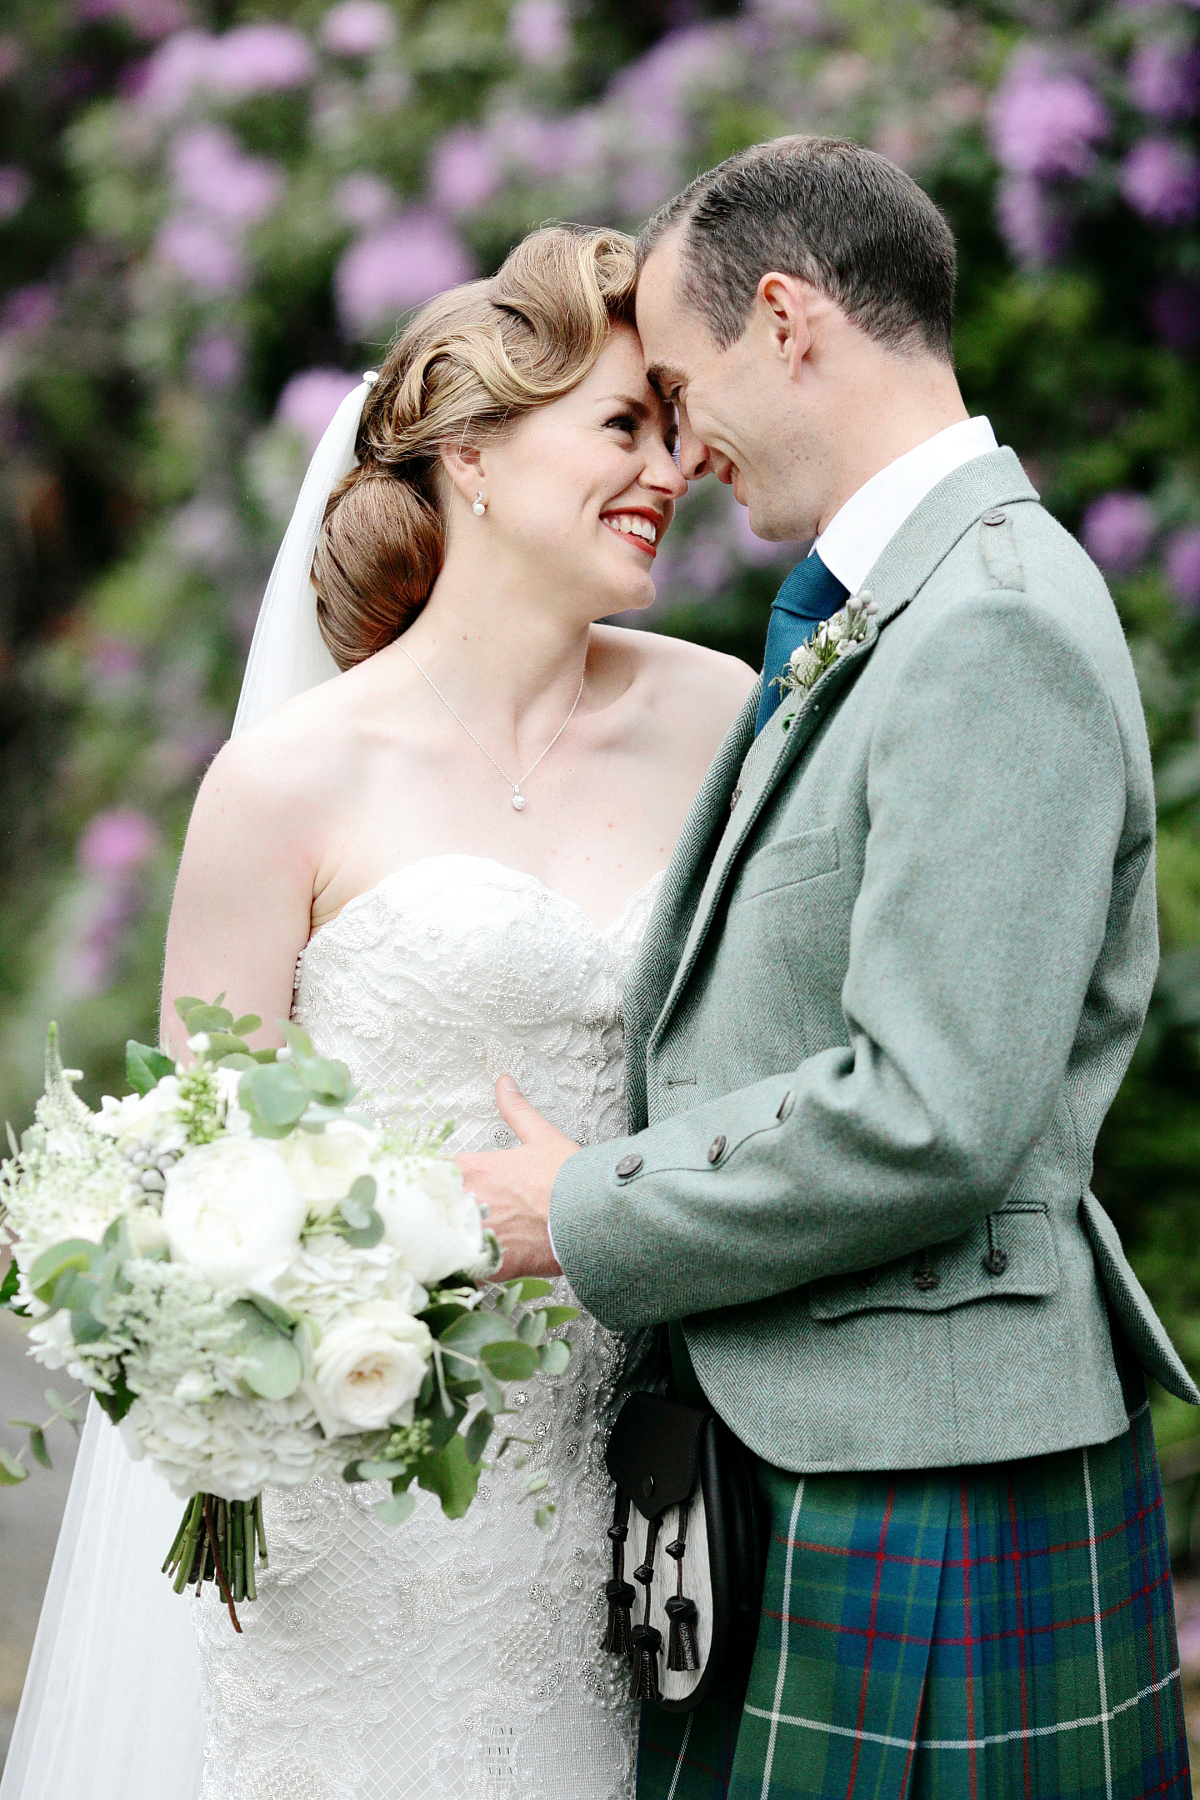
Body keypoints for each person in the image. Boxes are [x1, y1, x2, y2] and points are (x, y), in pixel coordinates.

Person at [464, 137, 1200, 1800]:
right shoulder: (902, 606)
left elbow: (935, 1107)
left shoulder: (991, 619)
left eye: (678, 379)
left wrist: (580, 1213)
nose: (679, 440)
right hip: (838, 1439)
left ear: (785, 321)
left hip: (924, 1469)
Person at [0, 225, 754, 1800]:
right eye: (624, 424)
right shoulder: (288, 784)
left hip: (644, 1505)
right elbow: (202, 1166)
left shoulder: (729, 720)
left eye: (676, 429)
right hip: (365, 1509)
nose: (670, 465)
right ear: (473, 455)